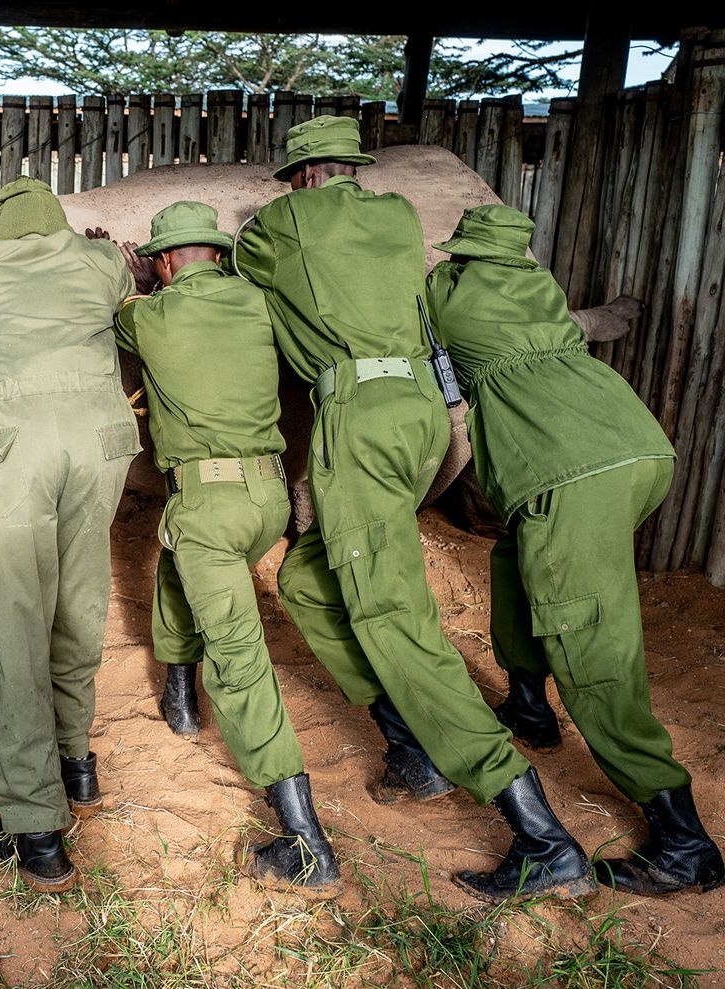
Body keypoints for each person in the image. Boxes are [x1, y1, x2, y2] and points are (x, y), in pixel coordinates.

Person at [234, 115, 593, 902]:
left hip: (358, 415)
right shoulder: (397, 216)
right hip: (423, 413)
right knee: (307, 578)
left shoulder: (281, 224)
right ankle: (411, 747)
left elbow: (246, 272)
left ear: (298, 176)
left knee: (394, 615)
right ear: (353, 169)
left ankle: (540, 832)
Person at [424, 203, 725, 897]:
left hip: (572, 471)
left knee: (589, 641)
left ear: (463, 257)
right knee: (517, 565)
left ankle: (684, 842)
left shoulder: (451, 295)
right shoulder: (541, 290)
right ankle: (529, 705)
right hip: (631, 442)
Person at [110, 201, 340, 895]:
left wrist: (136, 279)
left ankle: (307, 843)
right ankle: (180, 692)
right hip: (266, 498)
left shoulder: (149, 314)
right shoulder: (257, 302)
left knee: (240, 663)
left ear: (169, 260)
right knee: (174, 561)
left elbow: (121, 317)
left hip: (207, 499)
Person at [0, 176, 140, 893]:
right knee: (80, 603)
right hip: (99, 442)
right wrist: (99, 252)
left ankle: (36, 832)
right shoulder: (98, 263)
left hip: (18, 448)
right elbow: (125, 266)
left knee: (15, 620)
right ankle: (76, 767)